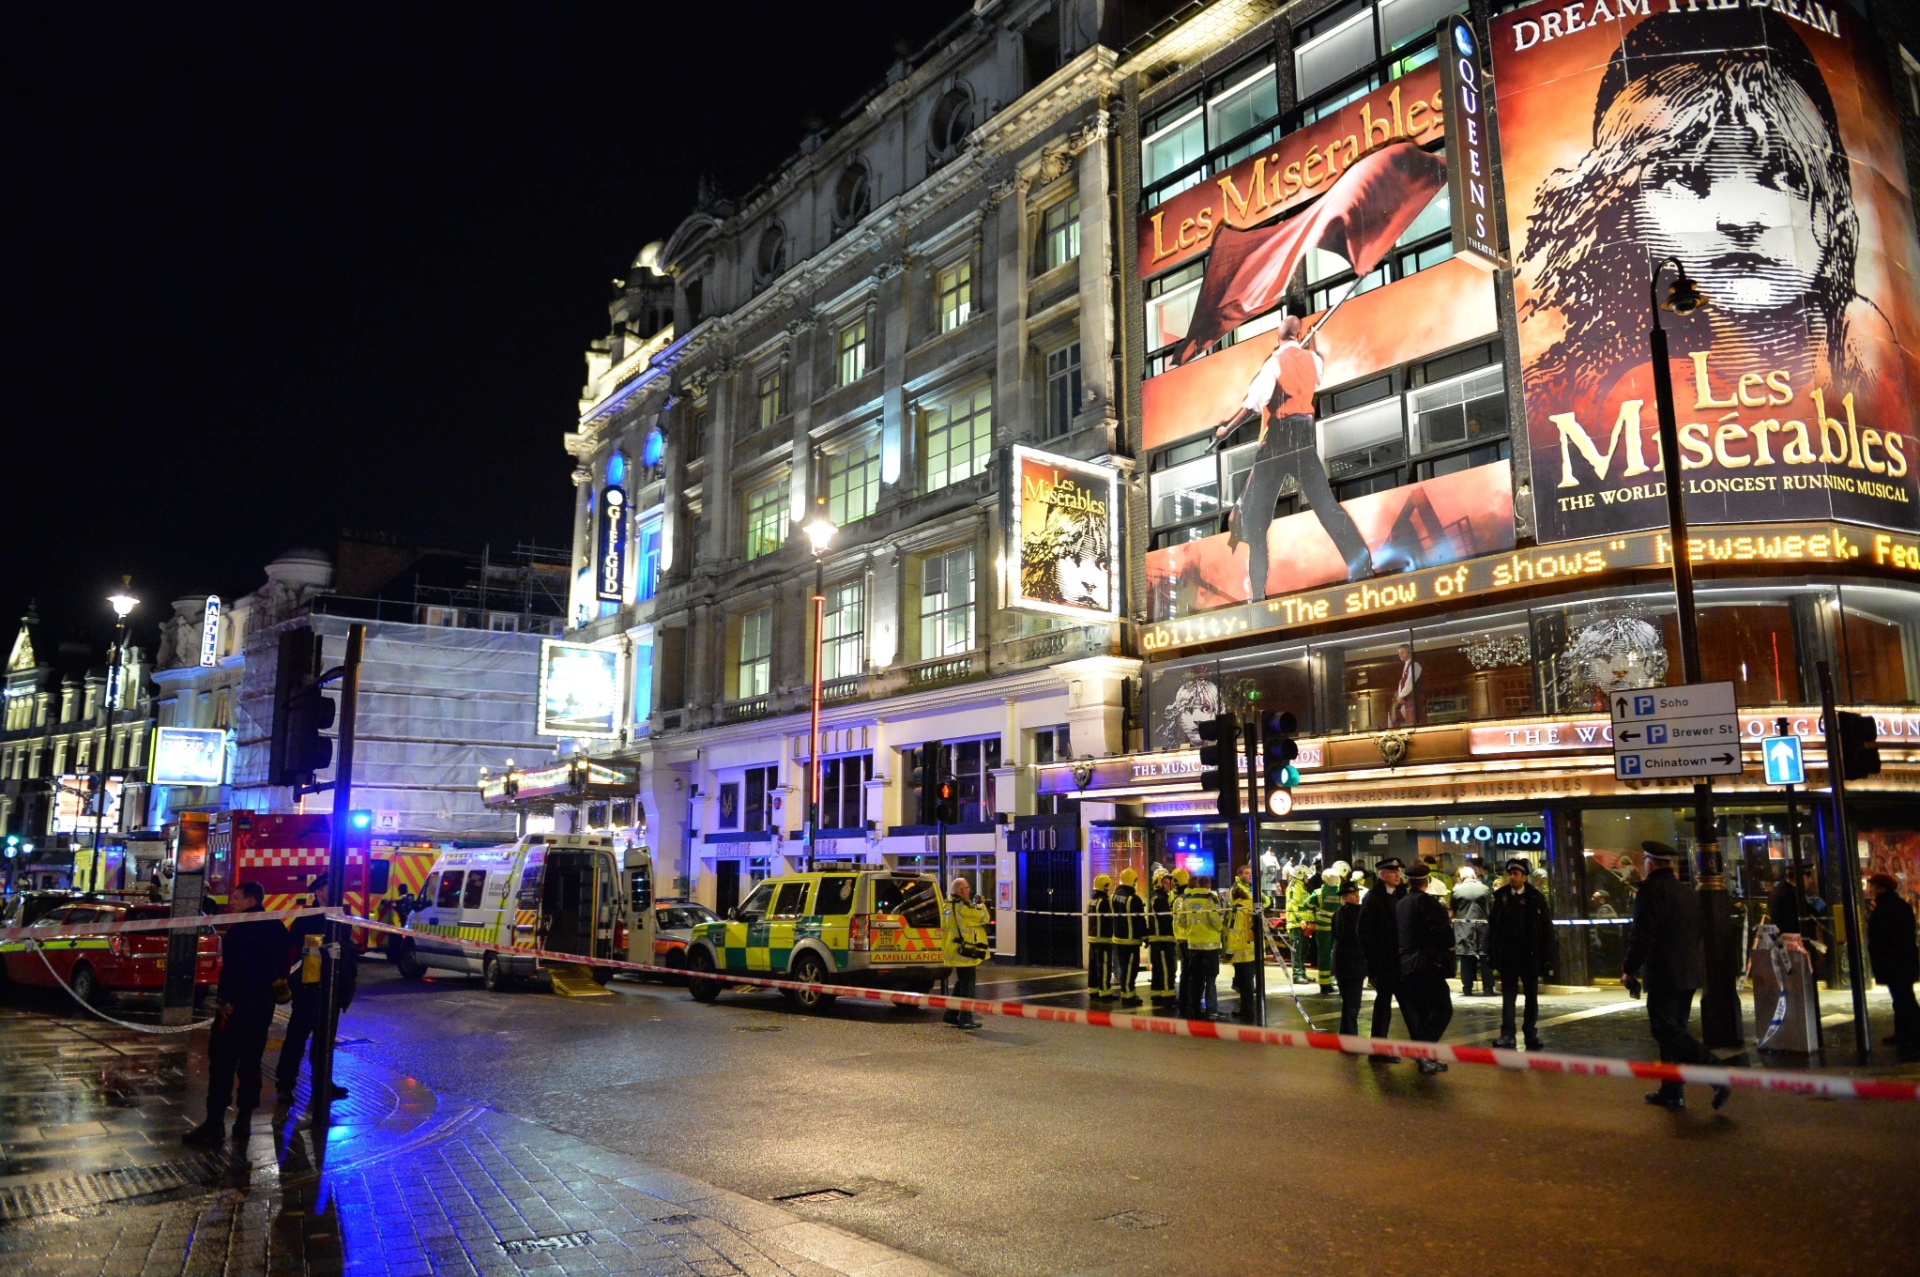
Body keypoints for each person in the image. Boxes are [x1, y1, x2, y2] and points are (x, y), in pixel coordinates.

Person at [1213, 313, 1373, 599]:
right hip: (1303, 436)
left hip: (1277, 440)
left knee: (1256, 519)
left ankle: (1258, 591)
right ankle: (1361, 564)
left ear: (1278, 336)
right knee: (1325, 505)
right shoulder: (1313, 359)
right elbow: (1316, 370)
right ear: (1299, 336)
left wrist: (1227, 428)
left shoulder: (1273, 363)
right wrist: (1310, 346)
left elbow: (1252, 405)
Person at [1623, 842, 1731, 1111]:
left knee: (1665, 1029)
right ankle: (1671, 1091)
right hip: (1688, 972)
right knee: (1674, 1032)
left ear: (1650, 863)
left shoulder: (1650, 891)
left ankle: (1716, 1072)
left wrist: (1629, 968)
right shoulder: (1687, 892)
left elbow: (1643, 935)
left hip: (1664, 973)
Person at [183, 882, 292, 1146]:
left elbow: (232, 970)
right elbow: (282, 964)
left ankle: (215, 1122)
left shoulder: (240, 930)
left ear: (251, 899)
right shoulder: (276, 926)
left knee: (222, 1063)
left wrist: (225, 1001)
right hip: (262, 1007)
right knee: (251, 1063)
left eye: (237, 897)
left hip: (236, 1007)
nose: (232, 901)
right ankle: (244, 1121)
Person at [276, 872, 358, 1107]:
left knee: (324, 1042)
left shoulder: (342, 916)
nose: (336, 892)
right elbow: (294, 956)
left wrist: (345, 988)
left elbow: (346, 954)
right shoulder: (306, 919)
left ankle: (323, 1083)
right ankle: (285, 1085)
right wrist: (296, 987)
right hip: (309, 990)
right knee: (296, 1040)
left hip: (333, 990)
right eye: (329, 888)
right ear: (318, 892)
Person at [1488, 857, 1555, 1051]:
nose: (1512, 877)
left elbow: (1546, 929)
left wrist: (1546, 957)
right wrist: (1493, 954)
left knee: (1531, 996)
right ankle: (1507, 1034)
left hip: (1530, 955)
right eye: (1509, 873)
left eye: (1516, 874)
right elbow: (1493, 928)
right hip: (1508, 956)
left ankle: (1530, 1033)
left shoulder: (1536, 898)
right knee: (1508, 996)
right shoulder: (1501, 897)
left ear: (1524, 877)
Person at [1396, 861, 1456, 1075]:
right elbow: (1443, 933)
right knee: (1442, 1009)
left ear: (1408, 881)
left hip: (1407, 964)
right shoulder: (1428, 903)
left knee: (1423, 1011)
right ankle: (1421, 1050)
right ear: (1427, 881)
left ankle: (1426, 1056)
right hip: (1427, 963)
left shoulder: (1402, 903)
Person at [1864, 873, 1919, 1062]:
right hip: (1901, 961)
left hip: (1895, 961)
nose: (1870, 889)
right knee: (1902, 997)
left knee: (1904, 999)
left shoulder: (1888, 907)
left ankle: (1911, 1035)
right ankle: (1903, 1033)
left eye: (1873, 886)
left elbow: (1884, 935)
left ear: (1882, 888)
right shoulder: (1895, 905)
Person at [1359, 857, 1407, 1064]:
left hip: (1402, 960)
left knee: (1408, 1004)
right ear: (1381, 874)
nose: (1398, 875)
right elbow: (1365, 932)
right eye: (1392, 872)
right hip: (1385, 962)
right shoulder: (1373, 898)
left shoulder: (1401, 894)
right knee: (1384, 1004)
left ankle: (1422, 1050)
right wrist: (1373, 963)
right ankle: (1378, 1049)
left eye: (1399, 872)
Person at [941, 876, 990, 1029]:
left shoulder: (947, 906)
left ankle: (950, 1014)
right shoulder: (963, 908)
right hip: (965, 953)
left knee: (961, 983)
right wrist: (981, 904)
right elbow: (983, 918)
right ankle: (966, 1018)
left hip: (954, 951)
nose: (969, 891)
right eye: (968, 888)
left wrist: (973, 903)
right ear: (962, 891)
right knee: (968, 986)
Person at [1177, 875, 1224, 1019]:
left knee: (1195, 979)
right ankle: (1212, 1010)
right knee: (1210, 979)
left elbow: (1181, 921)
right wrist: (1220, 925)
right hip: (1210, 947)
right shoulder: (1211, 900)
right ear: (1208, 885)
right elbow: (1216, 922)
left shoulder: (1187, 900)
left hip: (1193, 945)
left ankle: (1194, 1009)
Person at [1332, 878, 1367, 1039]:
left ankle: (1347, 1034)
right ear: (1344, 896)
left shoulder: (1339, 912)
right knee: (1352, 1003)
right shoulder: (1352, 913)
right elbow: (1353, 937)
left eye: (1357, 893)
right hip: (1352, 964)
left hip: (1343, 964)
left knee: (1349, 1002)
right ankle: (1350, 1037)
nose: (1357, 896)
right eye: (1353, 894)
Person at [1451, 865, 1493, 997]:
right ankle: (1488, 988)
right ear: (1475, 876)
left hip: (1464, 928)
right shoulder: (1486, 889)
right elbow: (1491, 906)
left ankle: (1467, 988)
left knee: (1466, 957)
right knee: (1485, 957)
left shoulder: (1457, 890)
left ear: (1461, 878)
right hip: (1484, 928)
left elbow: (1454, 907)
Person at [1111, 867, 1148, 1007]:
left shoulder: (1113, 896)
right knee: (1130, 970)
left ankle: (1126, 994)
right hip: (1130, 940)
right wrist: (1146, 937)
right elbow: (1139, 921)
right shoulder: (1134, 899)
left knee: (1123, 967)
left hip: (1118, 939)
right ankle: (1128, 996)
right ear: (1133, 881)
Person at [1225, 866, 1258, 1022]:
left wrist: (1229, 951)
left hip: (1240, 950)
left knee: (1245, 984)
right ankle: (1247, 1007)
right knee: (1248, 981)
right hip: (1252, 947)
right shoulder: (1251, 904)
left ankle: (1247, 1010)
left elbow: (1234, 931)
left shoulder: (1236, 908)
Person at [1311, 864, 1346, 995]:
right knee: (1337, 955)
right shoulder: (1341, 891)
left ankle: (1324, 984)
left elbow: (1306, 904)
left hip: (1323, 928)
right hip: (1339, 928)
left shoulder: (1318, 893)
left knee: (1324, 955)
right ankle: (1334, 980)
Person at [1146, 869, 1179, 1012]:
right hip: (1163, 939)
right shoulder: (1160, 899)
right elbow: (1166, 920)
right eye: (1165, 882)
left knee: (1158, 970)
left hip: (1157, 940)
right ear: (1159, 884)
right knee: (1167, 969)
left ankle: (1157, 994)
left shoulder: (1157, 897)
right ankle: (1168, 996)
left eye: (1169, 882)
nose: (1169, 885)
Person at [1087, 874, 1115, 1001]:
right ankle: (1105, 993)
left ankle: (1093, 991)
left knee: (1093, 967)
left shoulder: (1092, 900)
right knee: (1104, 967)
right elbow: (1109, 920)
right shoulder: (1104, 902)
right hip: (1103, 939)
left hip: (1093, 938)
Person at [1284, 864, 1314, 985]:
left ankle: (1302, 973)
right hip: (1296, 925)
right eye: (1307, 875)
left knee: (1303, 950)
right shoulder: (1294, 887)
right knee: (1296, 950)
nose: (1308, 878)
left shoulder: (1303, 887)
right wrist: (1300, 919)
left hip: (1305, 924)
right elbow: (1292, 905)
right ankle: (1297, 974)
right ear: (1301, 875)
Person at [1388, 643, 1423, 728]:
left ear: (1409, 652)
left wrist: (1401, 695)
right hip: (1408, 701)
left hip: (1414, 700)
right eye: (1399, 653)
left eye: (1402, 652)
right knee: (1409, 721)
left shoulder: (1414, 665)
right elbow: (1402, 682)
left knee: (1414, 721)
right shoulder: (1406, 666)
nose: (1400, 655)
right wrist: (1401, 696)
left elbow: (1409, 683)